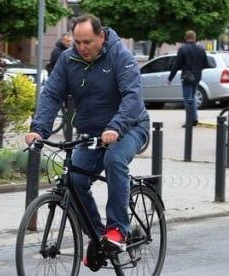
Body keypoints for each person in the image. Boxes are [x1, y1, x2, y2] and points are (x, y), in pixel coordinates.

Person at [27, 15, 150, 252]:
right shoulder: (67, 59)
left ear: (101, 36)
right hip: (92, 133)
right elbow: (51, 94)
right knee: (74, 180)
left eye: (87, 42)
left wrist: (115, 127)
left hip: (130, 126)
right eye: (78, 42)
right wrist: (38, 130)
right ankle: (98, 235)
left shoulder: (120, 57)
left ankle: (117, 230)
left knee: (114, 159)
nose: (82, 48)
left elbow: (132, 97)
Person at [167, 30, 208, 128]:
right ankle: (194, 118)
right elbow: (206, 64)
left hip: (187, 77)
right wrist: (198, 69)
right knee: (192, 98)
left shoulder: (183, 49)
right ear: (195, 38)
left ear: (186, 38)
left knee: (188, 99)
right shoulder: (201, 49)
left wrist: (170, 78)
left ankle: (190, 120)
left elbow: (176, 65)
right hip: (197, 77)